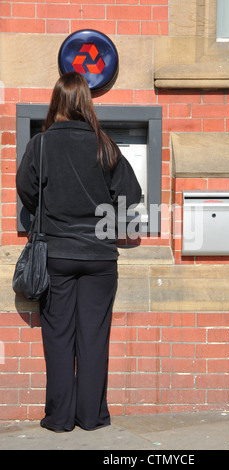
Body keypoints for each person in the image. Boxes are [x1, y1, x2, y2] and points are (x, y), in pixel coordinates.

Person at [16, 72, 141, 432]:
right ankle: (91, 417)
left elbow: (26, 190)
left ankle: (58, 419)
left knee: (57, 337)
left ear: (57, 102)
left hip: (55, 254)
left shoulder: (40, 145)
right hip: (100, 258)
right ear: (86, 103)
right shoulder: (105, 144)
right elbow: (130, 198)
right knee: (93, 338)